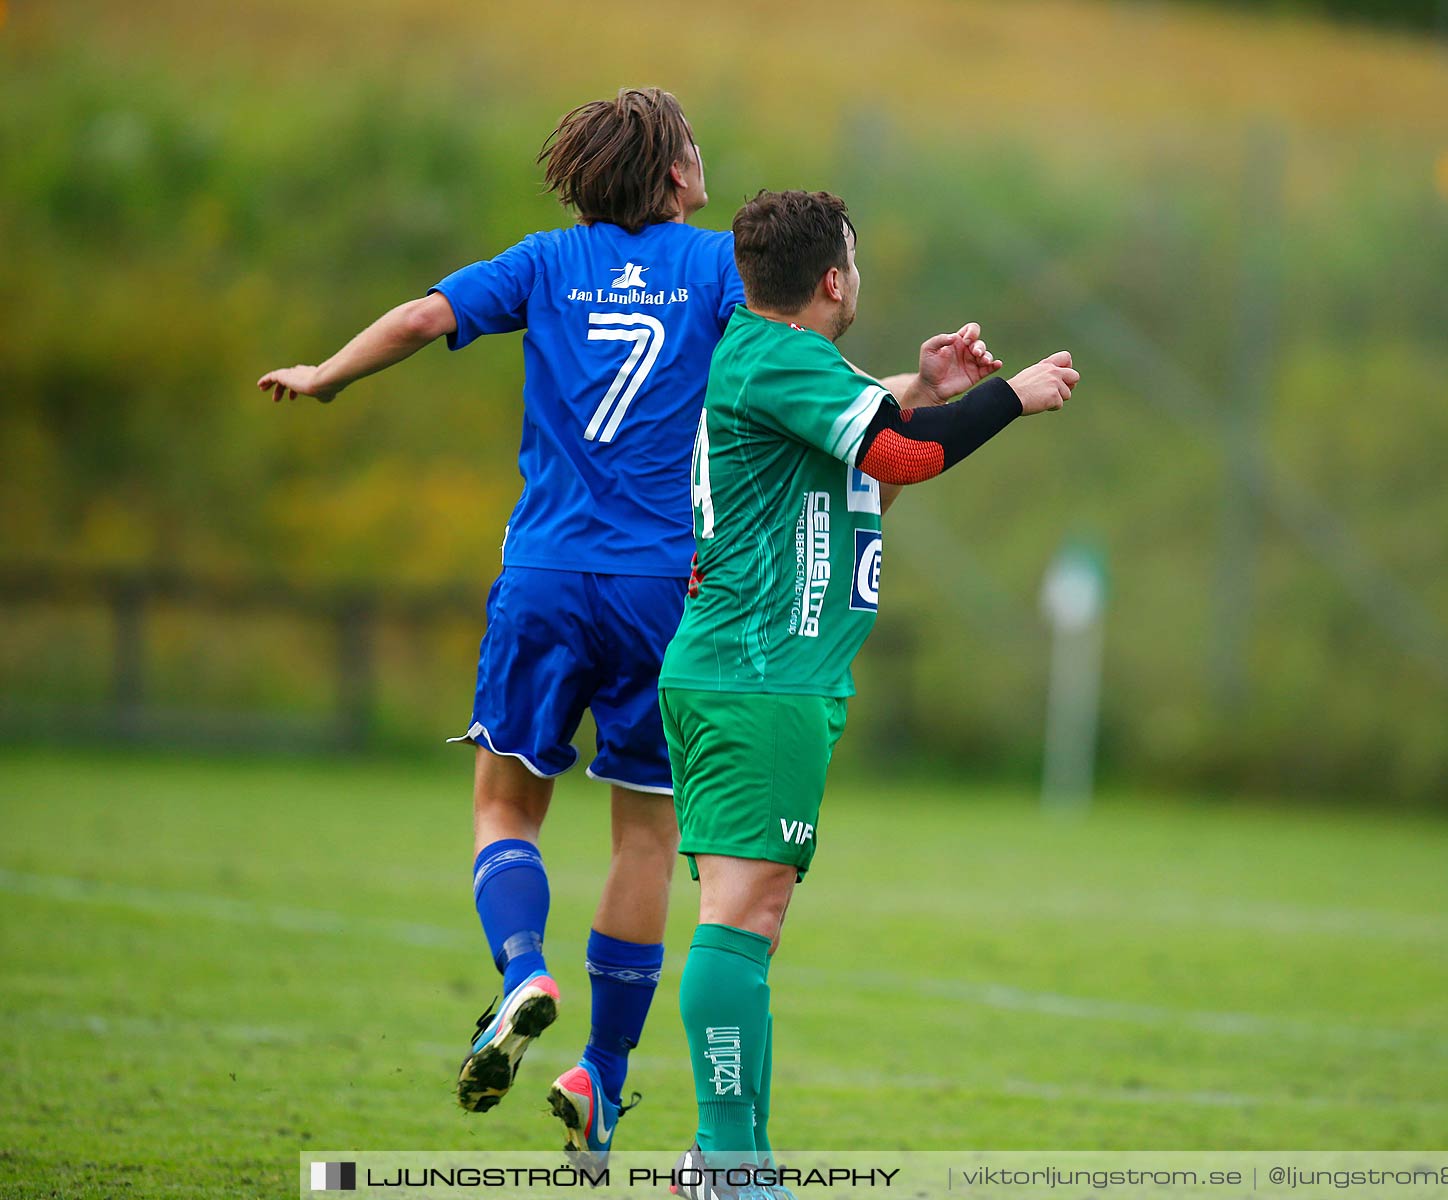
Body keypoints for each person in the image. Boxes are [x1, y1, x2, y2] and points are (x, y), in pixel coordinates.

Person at [257, 90, 1002, 1159]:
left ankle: (522, 970)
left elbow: (426, 317)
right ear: (668, 174)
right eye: (690, 145)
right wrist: (921, 396)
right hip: (669, 592)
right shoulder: (715, 271)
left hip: (546, 571)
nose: (703, 155)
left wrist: (328, 374)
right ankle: (602, 1075)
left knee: (505, 808)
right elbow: (802, 397)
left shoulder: (543, 261)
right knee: (645, 838)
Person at [658, 189, 1078, 1198]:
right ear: (835, 279)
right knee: (740, 913)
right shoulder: (780, 358)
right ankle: (723, 1163)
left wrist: (928, 387)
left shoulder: (780, 363)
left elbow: (868, 463)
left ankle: (735, 1164)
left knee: (751, 920)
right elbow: (902, 456)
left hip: (768, 674)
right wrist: (1007, 399)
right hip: (757, 675)